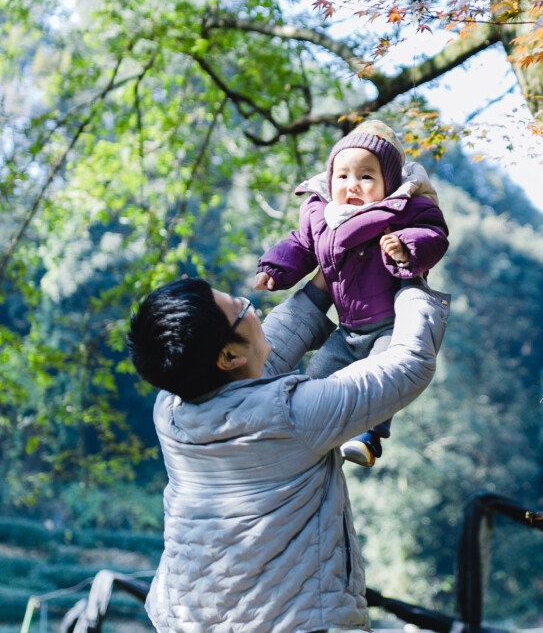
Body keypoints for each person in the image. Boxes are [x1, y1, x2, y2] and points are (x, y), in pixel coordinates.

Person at [127, 265, 448, 633]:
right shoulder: (292, 416)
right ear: (229, 356)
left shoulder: (170, 409)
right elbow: (407, 365)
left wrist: (330, 271)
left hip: (188, 620)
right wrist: (412, 280)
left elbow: (263, 357)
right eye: (240, 309)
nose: (253, 308)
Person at [255, 119, 449, 467]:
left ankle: (368, 436)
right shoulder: (321, 215)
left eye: (366, 176)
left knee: (382, 373)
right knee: (317, 377)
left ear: (388, 183)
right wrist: (275, 269)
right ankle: (302, 437)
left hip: (389, 326)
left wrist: (405, 247)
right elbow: (301, 246)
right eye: (342, 176)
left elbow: (434, 234)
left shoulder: (403, 210)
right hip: (347, 331)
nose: (352, 185)